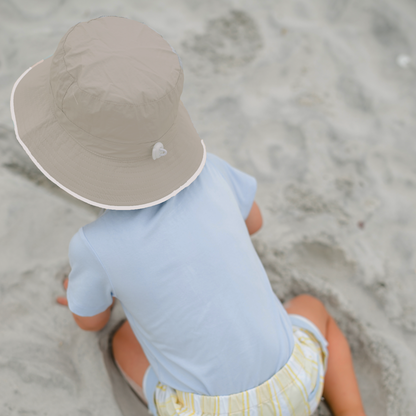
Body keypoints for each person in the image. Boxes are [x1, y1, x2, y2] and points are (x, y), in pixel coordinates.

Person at [10, 16, 366, 416]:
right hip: (296, 384)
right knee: (310, 305)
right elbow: (255, 223)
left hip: (205, 411)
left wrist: (96, 294)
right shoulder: (212, 171)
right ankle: (352, 409)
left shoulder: (94, 245)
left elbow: (90, 323)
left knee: (124, 338)